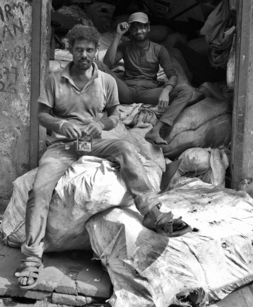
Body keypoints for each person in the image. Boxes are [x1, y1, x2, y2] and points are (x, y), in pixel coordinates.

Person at [15, 25, 191, 290]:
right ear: (70, 51)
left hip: (93, 141)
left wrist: (102, 125)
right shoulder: (54, 79)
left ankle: (151, 211)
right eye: (78, 49)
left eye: (89, 50)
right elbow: (41, 115)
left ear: (96, 51)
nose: (84, 54)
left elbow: (114, 115)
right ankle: (32, 257)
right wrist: (61, 125)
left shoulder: (106, 81)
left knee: (125, 148)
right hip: (62, 145)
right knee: (39, 190)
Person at [97, 12, 194, 146]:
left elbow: (172, 74)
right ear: (130, 30)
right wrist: (118, 35)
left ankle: (156, 130)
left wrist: (166, 90)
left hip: (149, 92)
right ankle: (91, 111)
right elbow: (107, 64)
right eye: (135, 28)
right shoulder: (125, 46)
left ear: (148, 28)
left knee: (186, 91)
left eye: (142, 27)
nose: (138, 31)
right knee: (97, 65)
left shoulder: (159, 49)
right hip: (126, 90)